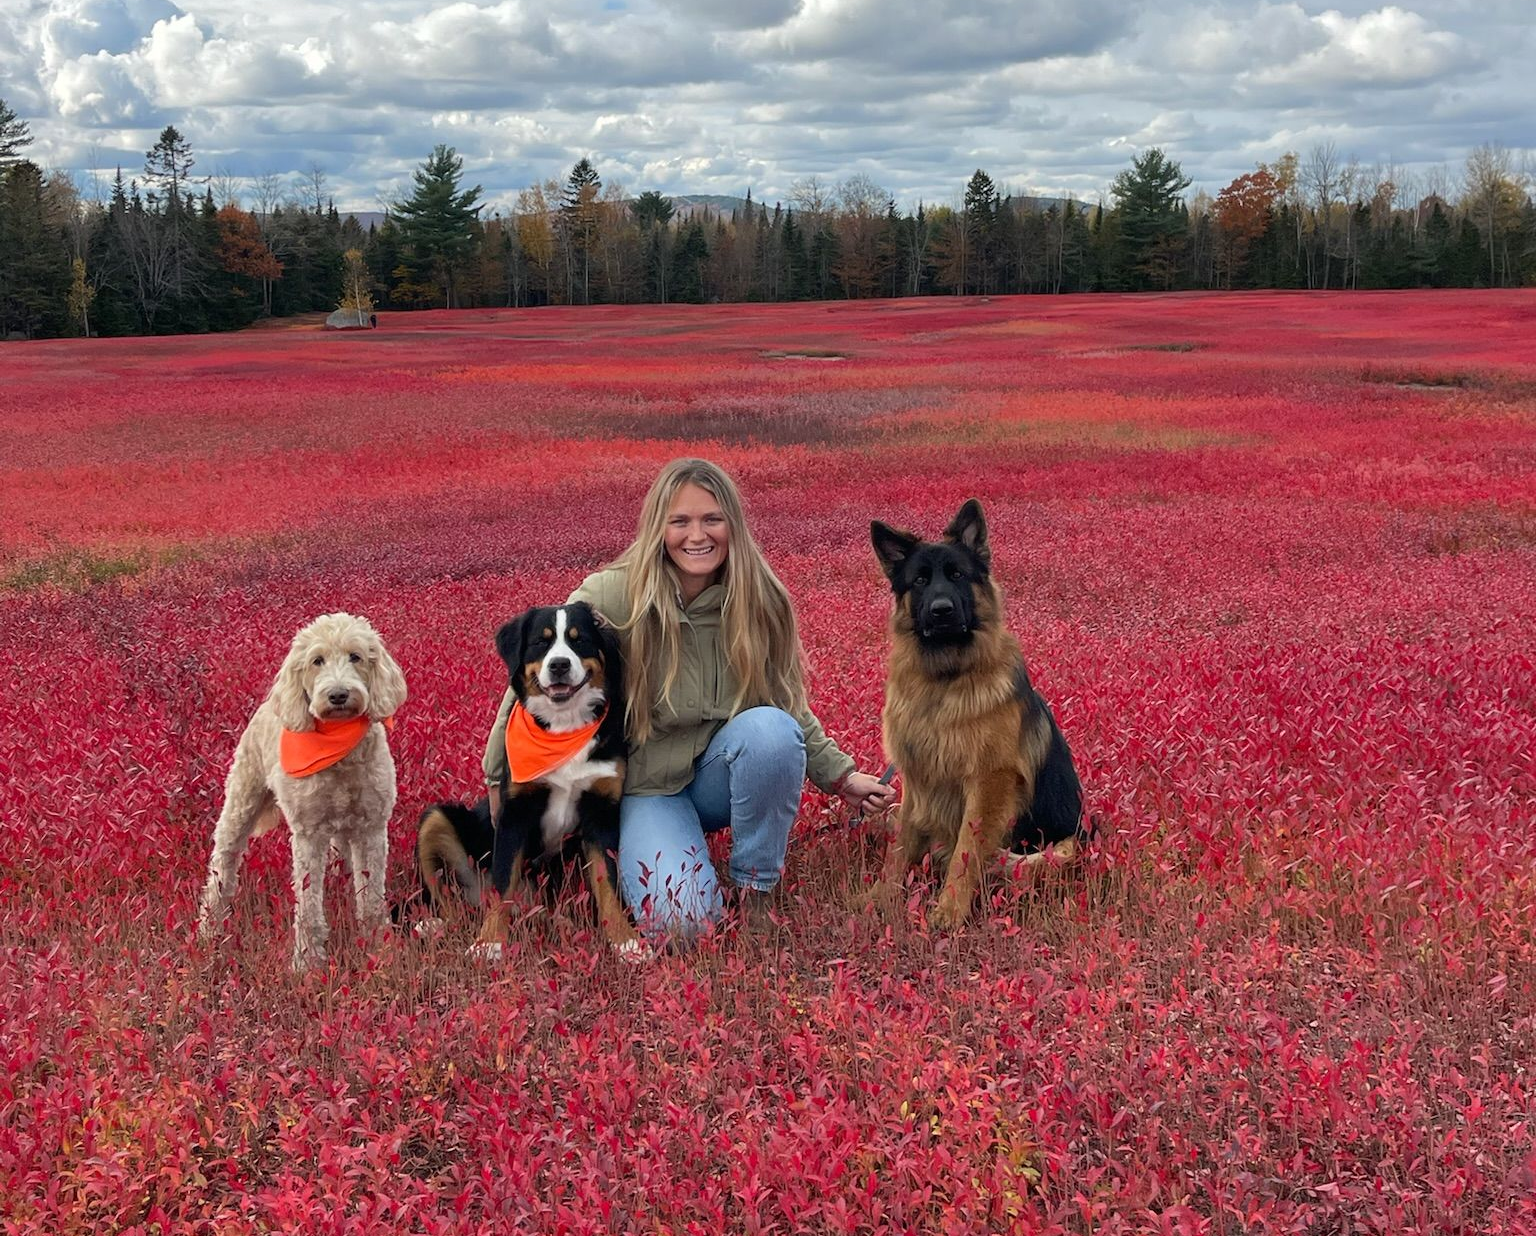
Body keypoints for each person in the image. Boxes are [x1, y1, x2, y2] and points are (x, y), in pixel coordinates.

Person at [482, 457, 895, 941]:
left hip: (720, 773)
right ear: (658, 526)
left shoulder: (760, 597)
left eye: (711, 519)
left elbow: (785, 698)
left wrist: (840, 775)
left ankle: (756, 890)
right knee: (682, 926)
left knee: (771, 731)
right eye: (679, 521)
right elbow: (535, 680)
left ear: (732, 524)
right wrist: (498, 776)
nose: (696, 535)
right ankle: (677, 853)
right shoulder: (611, 594)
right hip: (647, 788)